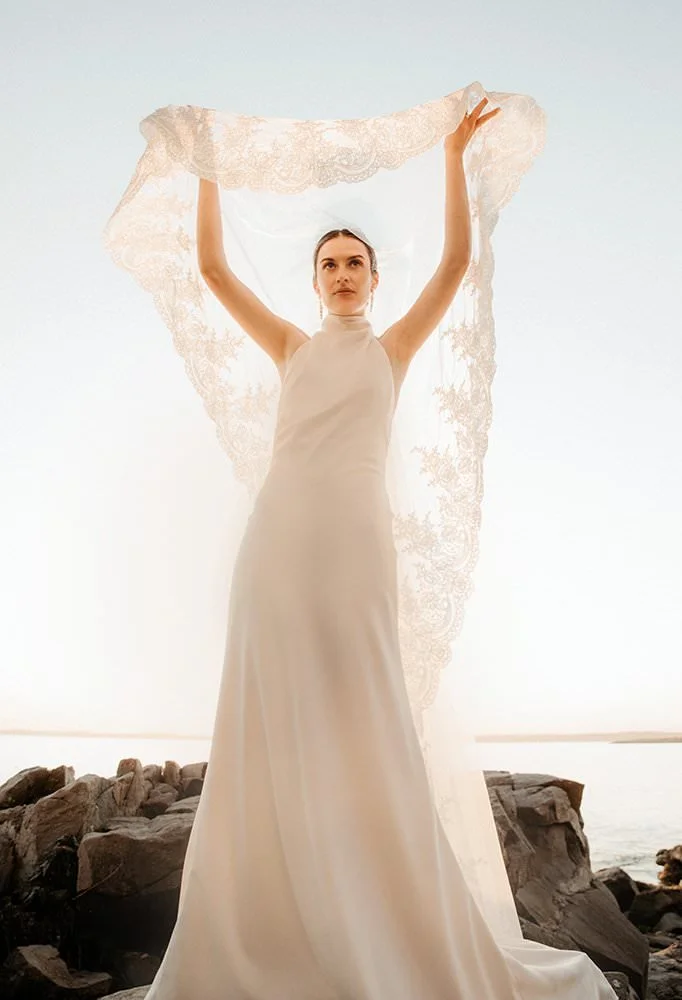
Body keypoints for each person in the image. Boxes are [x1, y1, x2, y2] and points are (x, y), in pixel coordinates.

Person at [129, 99, 618, 1000]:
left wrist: (454, 155)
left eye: (356, 262)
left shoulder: (391, 351)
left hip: (357, 548)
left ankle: (373, 907)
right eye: (330, 264)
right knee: (268, 708)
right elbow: (211, 267)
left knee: (364, 713)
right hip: (277, 542)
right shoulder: (288, 346)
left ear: (375, 278)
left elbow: (457, 263)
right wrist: (203, 165)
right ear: (315, 282)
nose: (343, 272)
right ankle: (274, 920)